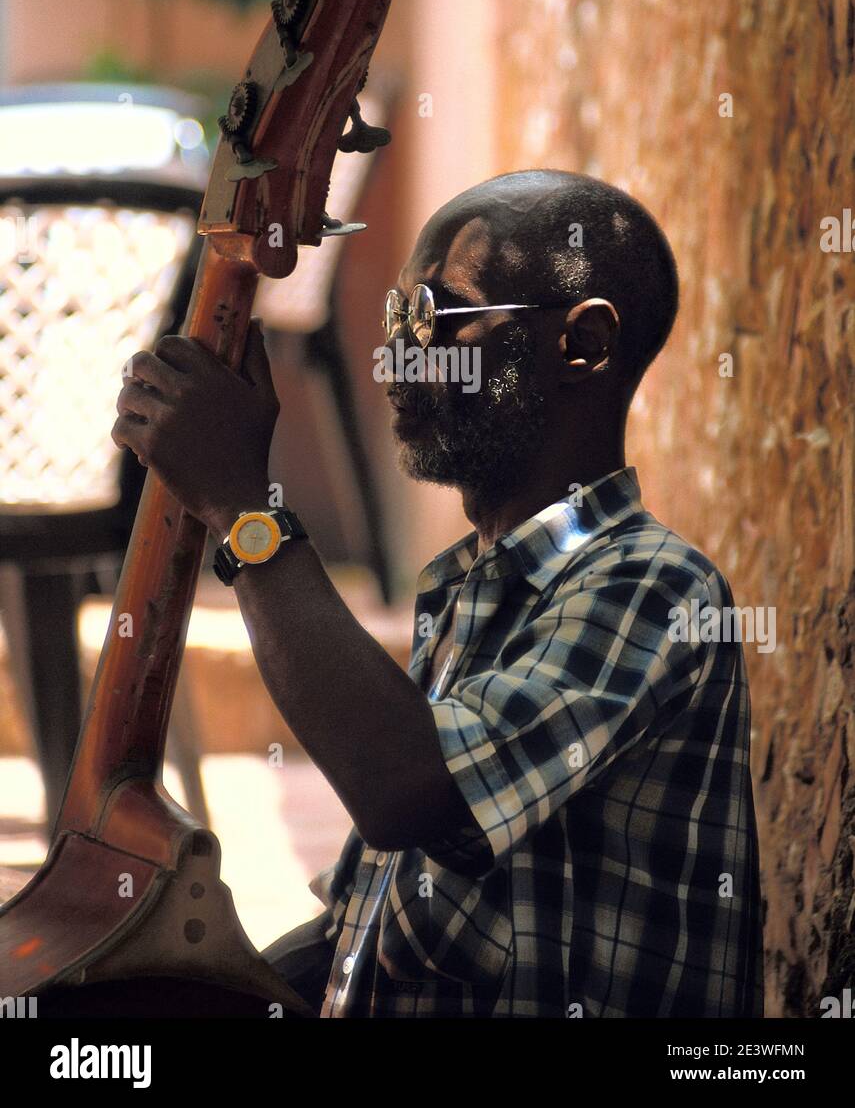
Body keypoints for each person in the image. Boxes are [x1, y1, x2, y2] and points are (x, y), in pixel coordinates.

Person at [112, 169, 764, 1018]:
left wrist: (245, 510)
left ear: (582, 346)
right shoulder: (471, 596)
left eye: (432, 318)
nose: (397, 360)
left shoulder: (652, 587)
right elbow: (361, 930)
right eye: (394, 321)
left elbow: (404, 788)